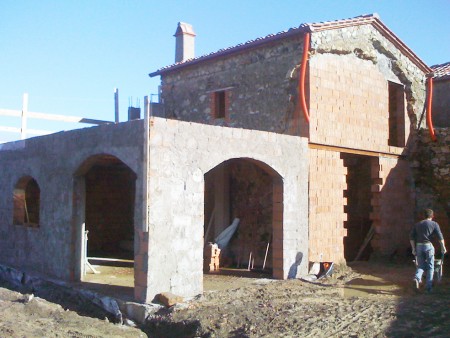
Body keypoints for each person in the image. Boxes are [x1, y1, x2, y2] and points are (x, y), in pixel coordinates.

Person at [410, 208, 447, 292]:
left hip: (419, 246)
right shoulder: (434, 224)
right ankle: (428, 287)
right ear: (432, 216)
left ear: (424, 216)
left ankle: (417, 278)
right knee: (430, 267)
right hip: (428, 246)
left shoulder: (418, 224)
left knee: (421, 266)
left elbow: (411, 237)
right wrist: (443, 247)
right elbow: (440, 237)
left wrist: (413, 248)